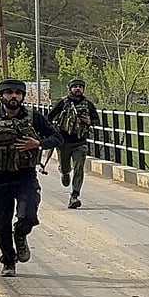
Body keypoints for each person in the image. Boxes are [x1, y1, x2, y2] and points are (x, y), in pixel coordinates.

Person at [0, 78, 63, 277]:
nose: (14, 96)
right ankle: (9, 261)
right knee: (1, 226)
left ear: (22, 97)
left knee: (28, 216)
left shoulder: (34, 117)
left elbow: (57, 137)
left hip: (26, 177)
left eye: (18, 93)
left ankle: (20, 235)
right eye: (9, 92)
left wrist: (38, 144)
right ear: (2, 96)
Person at [47, 78, 100, 209]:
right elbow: (49, 118)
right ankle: (64, 173)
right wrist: (52, 133)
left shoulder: (88, 104)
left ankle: (74, 196)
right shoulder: (62, 103)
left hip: (80, 142)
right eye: (75, 86)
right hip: (63, 142)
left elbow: (97, 121)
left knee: (79, 168)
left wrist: (90, 122)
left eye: (80, 87)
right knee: (66, 168)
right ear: (70, 89)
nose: (78, 89)